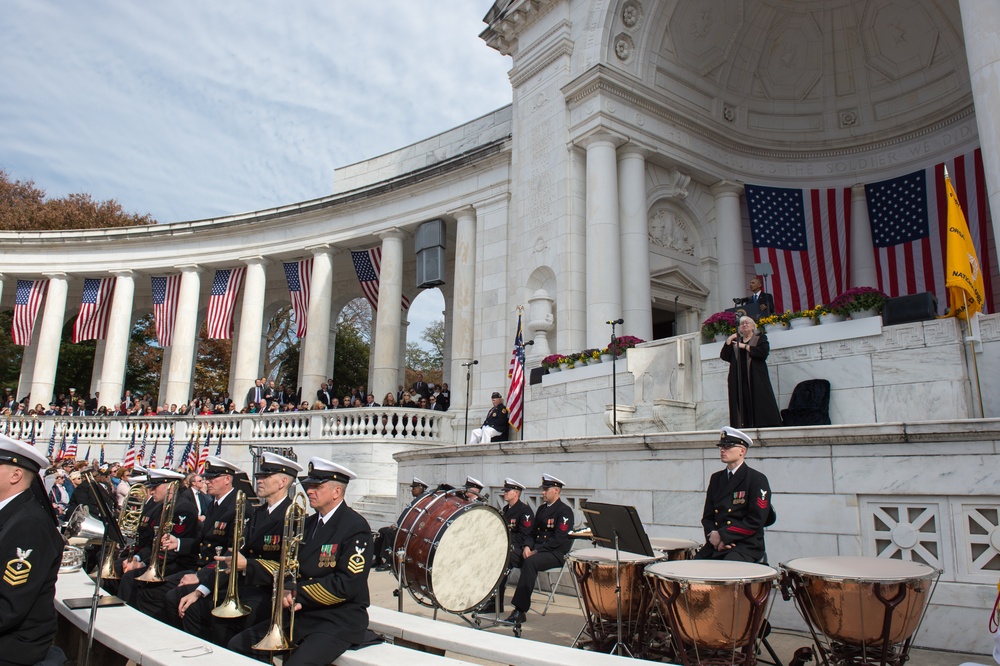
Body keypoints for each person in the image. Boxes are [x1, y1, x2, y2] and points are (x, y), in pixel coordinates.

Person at [229, 458, 373, 665]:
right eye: (308, 486)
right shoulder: (306, 524)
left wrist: (298, 593)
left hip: (337, 618)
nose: (310, 491)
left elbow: (347, 584)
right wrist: (287, 587)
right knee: (239, 645)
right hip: (302, 614)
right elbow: (289, 566)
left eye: (317, 486)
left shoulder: (355, 526)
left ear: (336, 492)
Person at [174, 452, 302, 646]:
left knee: (223, 623)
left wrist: (248, 565)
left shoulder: (293, 515)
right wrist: (201, 590)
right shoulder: (259, 513)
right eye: (259, 476)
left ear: (282, 482)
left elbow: (291, 566)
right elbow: (234, 554)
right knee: (194, 609)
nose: (258, 481)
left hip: (270, 591)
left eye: (265, 477)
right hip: (246, 587)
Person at [0, 435, 63, 666]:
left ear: (16, 476)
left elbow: (8, 606)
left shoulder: (29, 524)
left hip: (13, 646)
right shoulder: (12, 513)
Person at [695, 427, 775, 563]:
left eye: (728, 446)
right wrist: (715, 538)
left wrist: (724, 535)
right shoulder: (716, 478)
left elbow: (756, 520)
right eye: (721, 446)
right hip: (717, 543)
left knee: (726, 573)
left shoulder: (756, 479)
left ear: (742, 451)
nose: (722, 450)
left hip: (745, 545)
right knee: (690, 570)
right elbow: (707, 517)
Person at [505, 474, 573, 625]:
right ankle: (492, 601)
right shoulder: (542, 509)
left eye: (546, 489)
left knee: (530, 562)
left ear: (556, 490)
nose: (542, 493)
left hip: (554, 553)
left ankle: (519, 610)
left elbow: (559, 539)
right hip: (536, 550)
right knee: (506, 556)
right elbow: (531, 532)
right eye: (543, 489)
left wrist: (537, 550)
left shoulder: (564, 511)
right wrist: (527, 546)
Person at [480, 478, 533, 614]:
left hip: (517, 549)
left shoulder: (525, 511)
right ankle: (491, 599)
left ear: (516, 493)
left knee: (501, 559)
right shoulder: (505, 509)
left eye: (508, 491)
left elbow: (524, 535)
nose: (505, 493)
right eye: (505, 491)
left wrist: (504, 540)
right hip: (505, 546)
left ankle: (496, 602)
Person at [721, 316, 782, 428]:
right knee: (741, 401)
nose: (744, 325)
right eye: (742, 324)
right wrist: (729, 341)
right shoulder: (735, 341)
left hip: (755, 377)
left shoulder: (760, 338)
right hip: (738, 378)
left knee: (759, 400)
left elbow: (763, 353)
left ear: (753, 326)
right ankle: (743, 425)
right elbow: (724, 356)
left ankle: (762, 424)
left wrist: (746, 347)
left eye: (747, 323)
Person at [372, 477, 429, 571]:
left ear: (421, 488)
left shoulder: (423, 502)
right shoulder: (416, 500)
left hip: (412, 530)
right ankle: (378, 559)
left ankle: (389, 561)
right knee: (382, 531)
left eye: (414, 488)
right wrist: (397, 524)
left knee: (390, 533)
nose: (412, 490)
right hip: (404, 526)